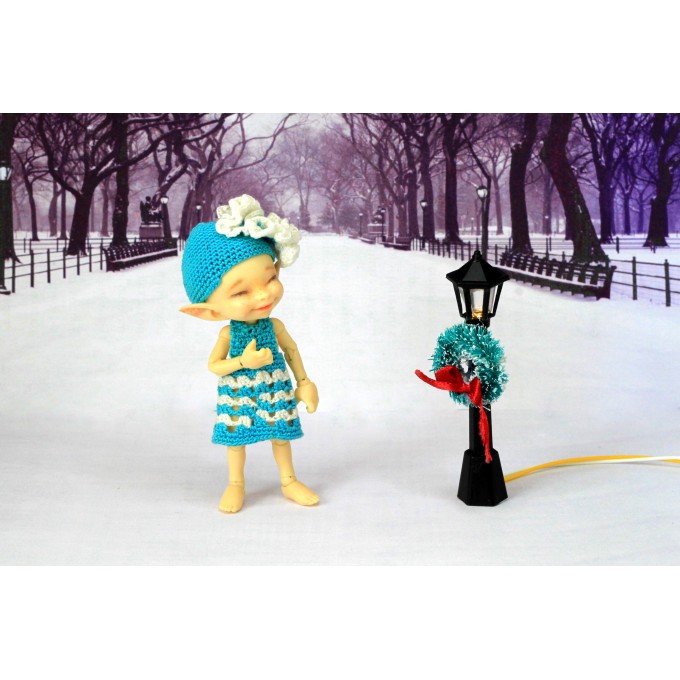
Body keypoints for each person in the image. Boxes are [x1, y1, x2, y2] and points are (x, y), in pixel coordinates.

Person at [180, 195, 319, 513]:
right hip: (238, 392)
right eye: (241, 292)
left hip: (276, 390)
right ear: (209, 312)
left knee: (281, 435)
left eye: (271, 278)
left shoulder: (275, 326)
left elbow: (291, 350)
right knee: (236, 438)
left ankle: (288, 480)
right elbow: (214, 365)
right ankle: (236, 483)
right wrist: (243, 361)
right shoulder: (228, 334)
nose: (263, 295)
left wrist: (305, 382)